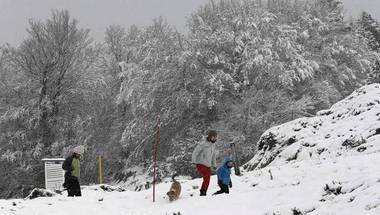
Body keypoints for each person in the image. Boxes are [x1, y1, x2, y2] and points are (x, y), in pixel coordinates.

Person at [191, 130, 218, 196]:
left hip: (208, 165)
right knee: (207, 177)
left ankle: (203, 191)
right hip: (201, 163)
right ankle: (203, 192)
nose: (214, 138)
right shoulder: (203, 144)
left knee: (207, 179)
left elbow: (213, 156)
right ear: (209, 137)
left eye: (215, 137)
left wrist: (214, 165)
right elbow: (195, 152)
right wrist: (193, 162)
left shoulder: (213, 145)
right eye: (213, 137)